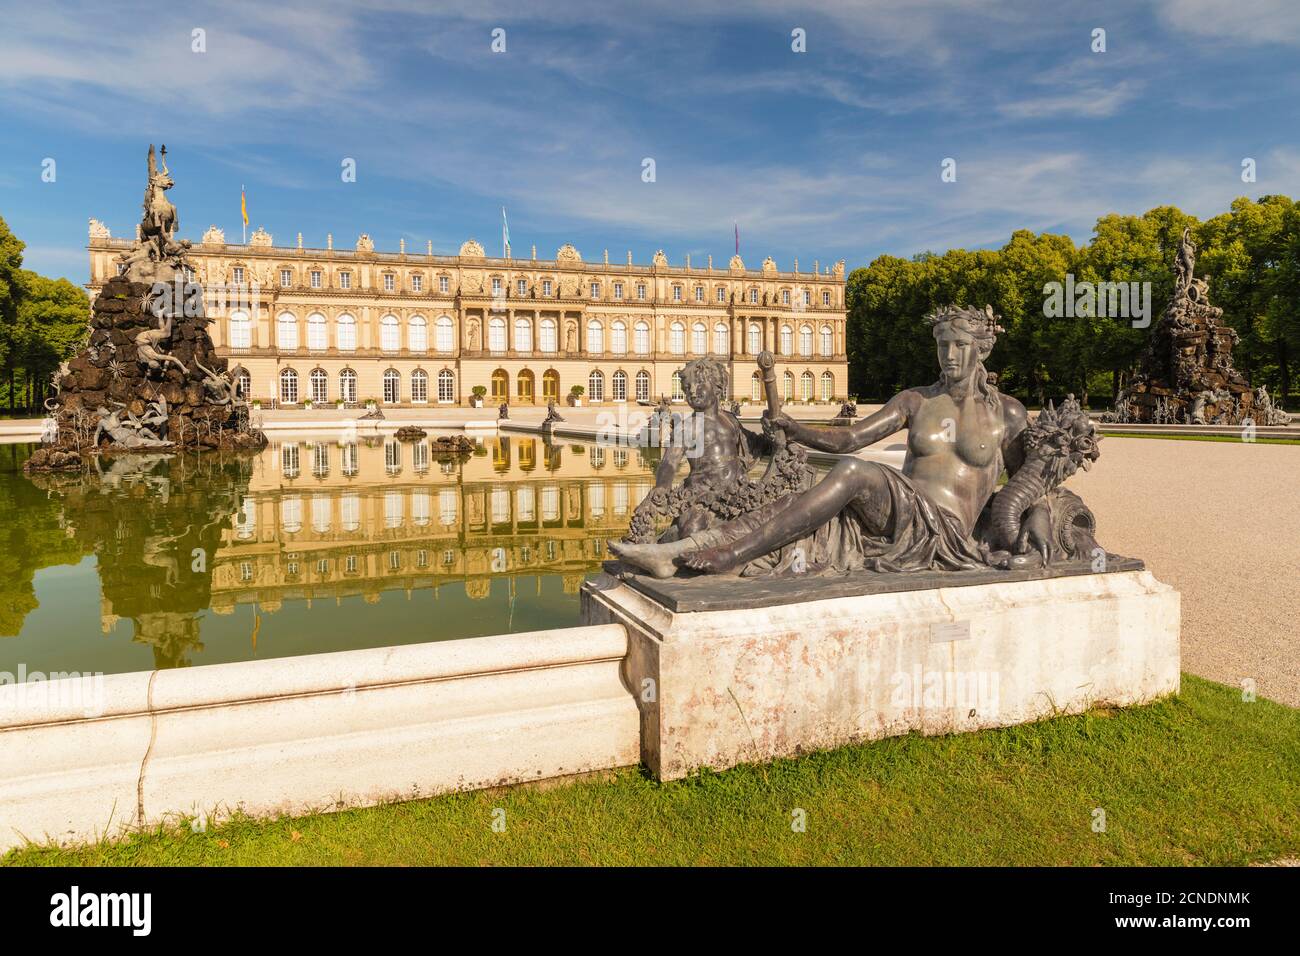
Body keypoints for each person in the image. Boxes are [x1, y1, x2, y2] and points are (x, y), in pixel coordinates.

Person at [612, 305, 1028, 577]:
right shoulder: (915, 400)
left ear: (983, 350)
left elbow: (1030, 486)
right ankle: (683, 549)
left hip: (946, 528)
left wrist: (1029, 533)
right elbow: (849, 438)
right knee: (797, 494)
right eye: (941, 346)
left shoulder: (1006, 413)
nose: (949, 355)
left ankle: (731, 555)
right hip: (899, 514)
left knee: (851, 474)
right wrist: (795, 429)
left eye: (960, 346)